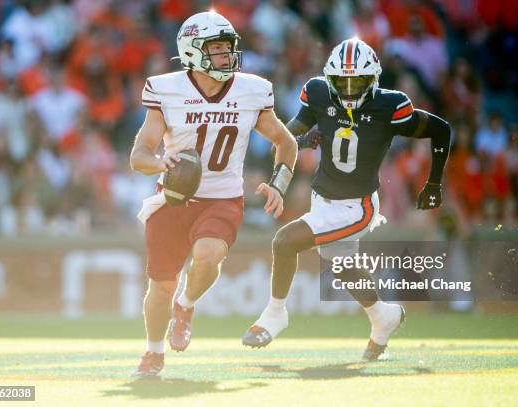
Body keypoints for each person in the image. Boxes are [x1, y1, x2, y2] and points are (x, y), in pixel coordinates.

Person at [242, 38, 451, 360]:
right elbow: (282, 141)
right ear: (330, 79)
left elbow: (441, 130)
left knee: (284, 241)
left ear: (374, 80)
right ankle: (383, 317)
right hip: (322, 198)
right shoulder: (318, 92)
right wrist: (302, 139)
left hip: (358, 206)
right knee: (342, 267)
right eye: (343, 81)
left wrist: (434, 182)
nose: (351, 90)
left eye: (358, 82)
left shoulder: (389, 105)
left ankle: (275, 313)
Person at [130, 11, 298, 378]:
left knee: (208, 254)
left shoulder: (251, 89)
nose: (226, 56)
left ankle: (187, 306)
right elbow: (138, 155)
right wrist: (162, 162)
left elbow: (286, 142)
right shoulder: (166, 88)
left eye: (228, 48)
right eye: (217, 49)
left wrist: (279, 183)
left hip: (222, 196)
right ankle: (153, 352)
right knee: (160, 285)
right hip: (173, 196)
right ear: (192, 51)